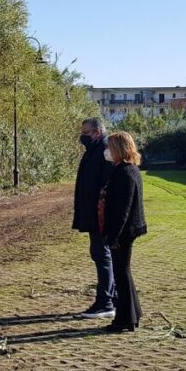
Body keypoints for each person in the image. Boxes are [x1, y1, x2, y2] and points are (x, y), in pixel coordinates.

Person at [98, 132, 147, 333]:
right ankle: (133, 313)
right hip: (125, 230)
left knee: (122, 274)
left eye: (110, 147)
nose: (107, 152)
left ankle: (124, 319)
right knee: (123, 273)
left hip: (123, 231)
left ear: (119, 149)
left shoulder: (125, 173)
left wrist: (114, 236)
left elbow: (122, 209)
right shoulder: (127, 170)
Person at [73, 118, 116, 319]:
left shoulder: (106, 149)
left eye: (86, 132)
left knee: (102, 255)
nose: (83, 136)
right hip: (94, 213)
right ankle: (111, 297)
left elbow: (110, 182)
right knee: (101, 254)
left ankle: (106, 302)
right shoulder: (95, 148)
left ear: (97, 132)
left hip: (100, 215)